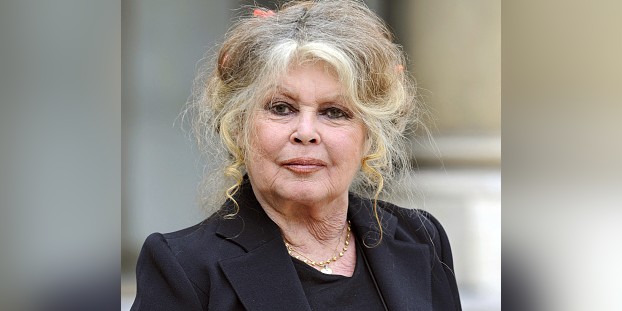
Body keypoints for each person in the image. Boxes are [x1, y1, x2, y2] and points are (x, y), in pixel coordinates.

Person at [130, 1, 461, 310]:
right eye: (281, 108)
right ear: (239, 127)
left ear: (369, 136)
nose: (306, 131)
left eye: (334, 112)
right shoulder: (182, 267)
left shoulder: (420, 236)